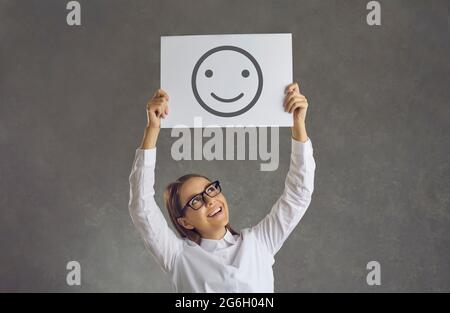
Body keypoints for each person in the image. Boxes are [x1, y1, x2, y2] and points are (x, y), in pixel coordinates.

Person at [128, 83, 316, 292]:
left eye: (210, 189)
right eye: (196, 200)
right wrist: (152, 129)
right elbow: (141, 205)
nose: (210, 200)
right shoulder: (178, 256)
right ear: (185, 222)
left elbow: (299, 194)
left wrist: (298, 124)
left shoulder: (259, 242)